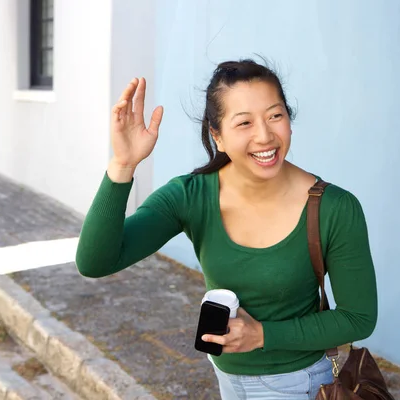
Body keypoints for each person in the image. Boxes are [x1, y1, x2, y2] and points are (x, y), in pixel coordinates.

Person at [75, 59, 378, 399]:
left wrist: (262, 335)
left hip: (301, 384)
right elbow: (95, 262)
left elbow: (358, 318)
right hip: (228, 381)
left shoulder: (335, 208)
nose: (265, 135)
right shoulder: (190, 196)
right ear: (216, 135)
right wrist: (123, 165)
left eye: (275, 116)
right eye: (244, 122)